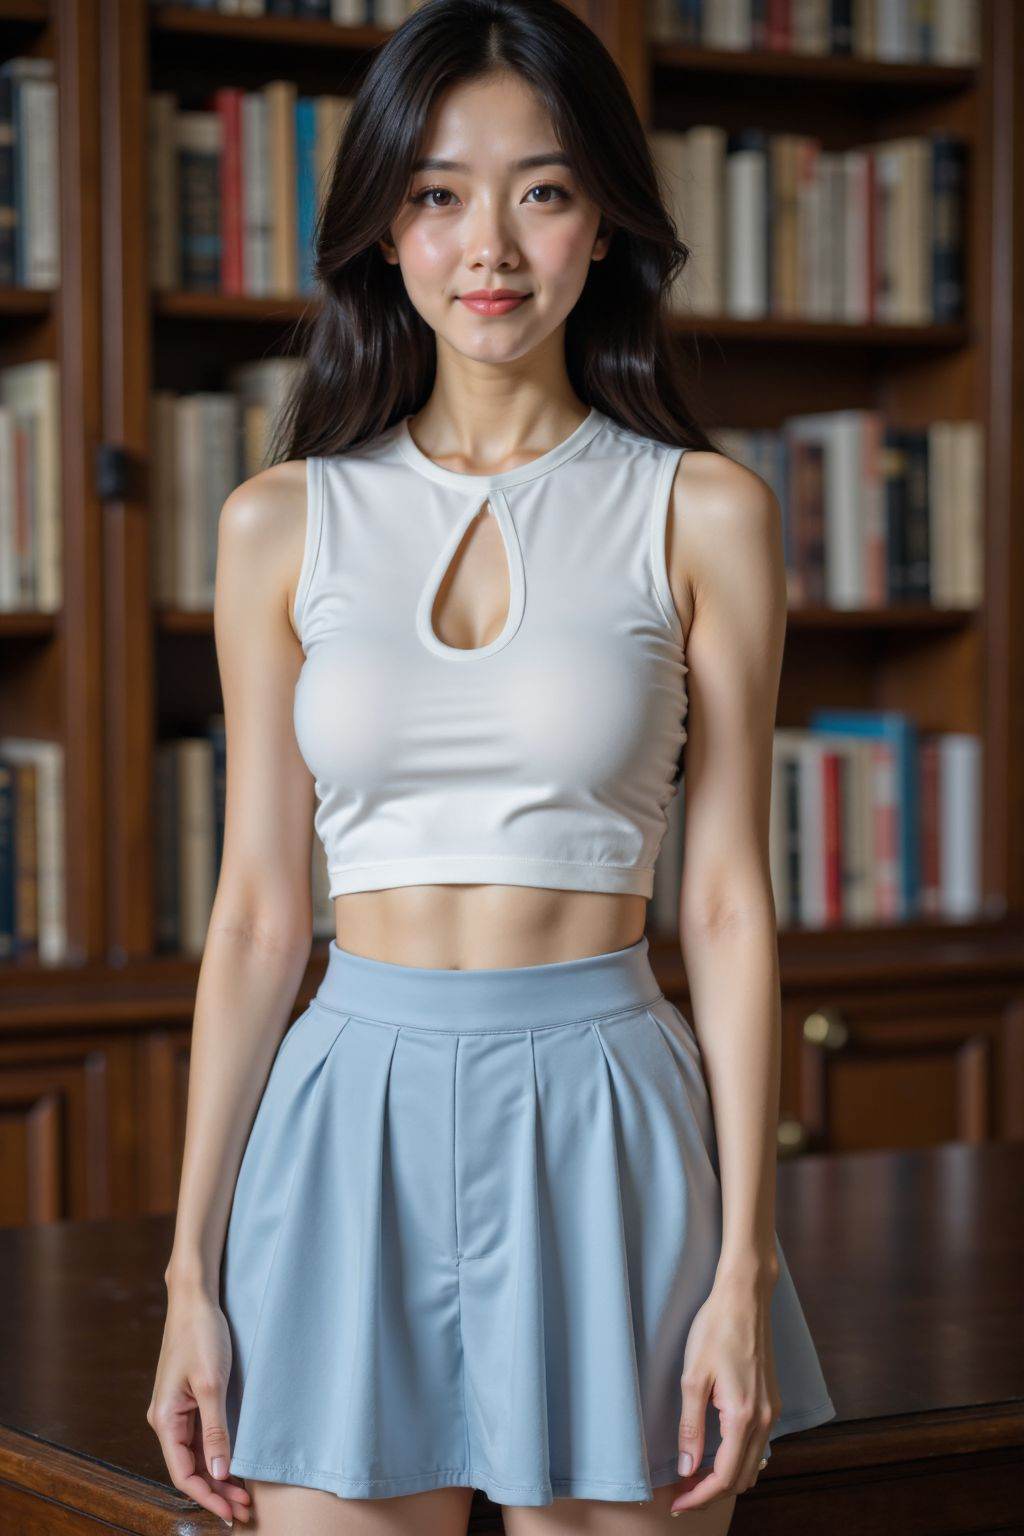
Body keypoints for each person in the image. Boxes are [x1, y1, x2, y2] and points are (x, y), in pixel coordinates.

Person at [146, 1, 836, 1531]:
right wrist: (192, 1272)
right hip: (343, 1120)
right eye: (439, 194)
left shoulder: (704, 512)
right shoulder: (279, 521)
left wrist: (745, 1262)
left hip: (608, 1115)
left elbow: (729, 906)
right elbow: (256, 915)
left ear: (606, 223)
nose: (491, 248)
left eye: (544, 190)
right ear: (383, 230)